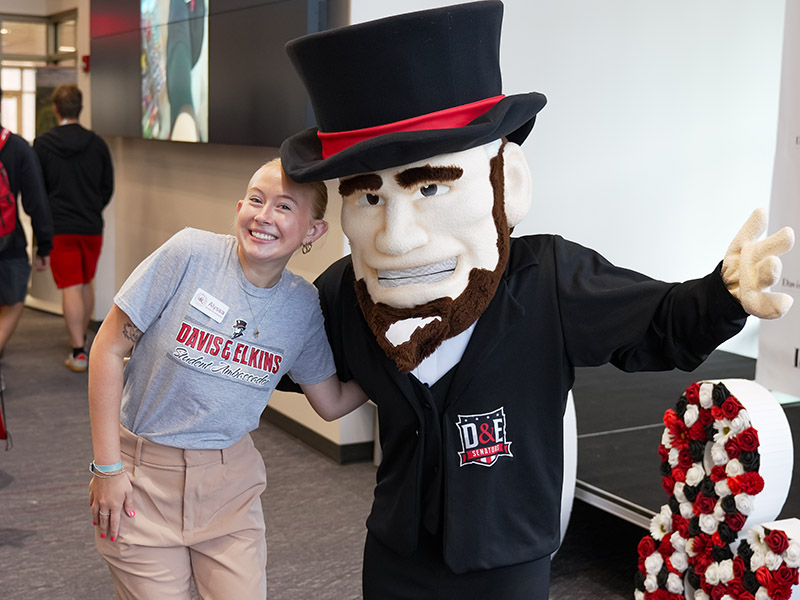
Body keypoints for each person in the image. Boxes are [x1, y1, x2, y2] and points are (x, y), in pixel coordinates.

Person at [277, 3, 796, 598]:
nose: (396, 236)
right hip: (398, 555)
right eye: (368, 199)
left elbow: (656, 325)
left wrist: (722, 294)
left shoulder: (547, 278)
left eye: (427, 188)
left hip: (508, 557)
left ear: (508, 182)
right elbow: (289, 360)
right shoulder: (349, 290)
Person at [87, 158, 368, 599]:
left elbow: (329, 403)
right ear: (239, 206)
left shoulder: (302, 307)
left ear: (313, 231)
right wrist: (107, 469)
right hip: (142, 482)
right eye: (256, 200)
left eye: (284, 207)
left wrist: (399, 368)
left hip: (229, 489)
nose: (264, 216)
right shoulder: (190, 255)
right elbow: (107, 348)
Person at [33, 84, 114, 372]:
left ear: (56, 109)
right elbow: (107, 187)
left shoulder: (42, 145)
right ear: (80, 108)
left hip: (60, 227)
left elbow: (37, 190)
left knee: (71, 286)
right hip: (91, 226)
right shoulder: (97, 144)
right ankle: (91, 341)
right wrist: (90, 209)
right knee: (86, 281)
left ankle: (79, 351)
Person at [0, 89, 53, 392]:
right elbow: (36, 201)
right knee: (14, 302)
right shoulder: (17, 147)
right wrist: (43, 246)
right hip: (9, 244)